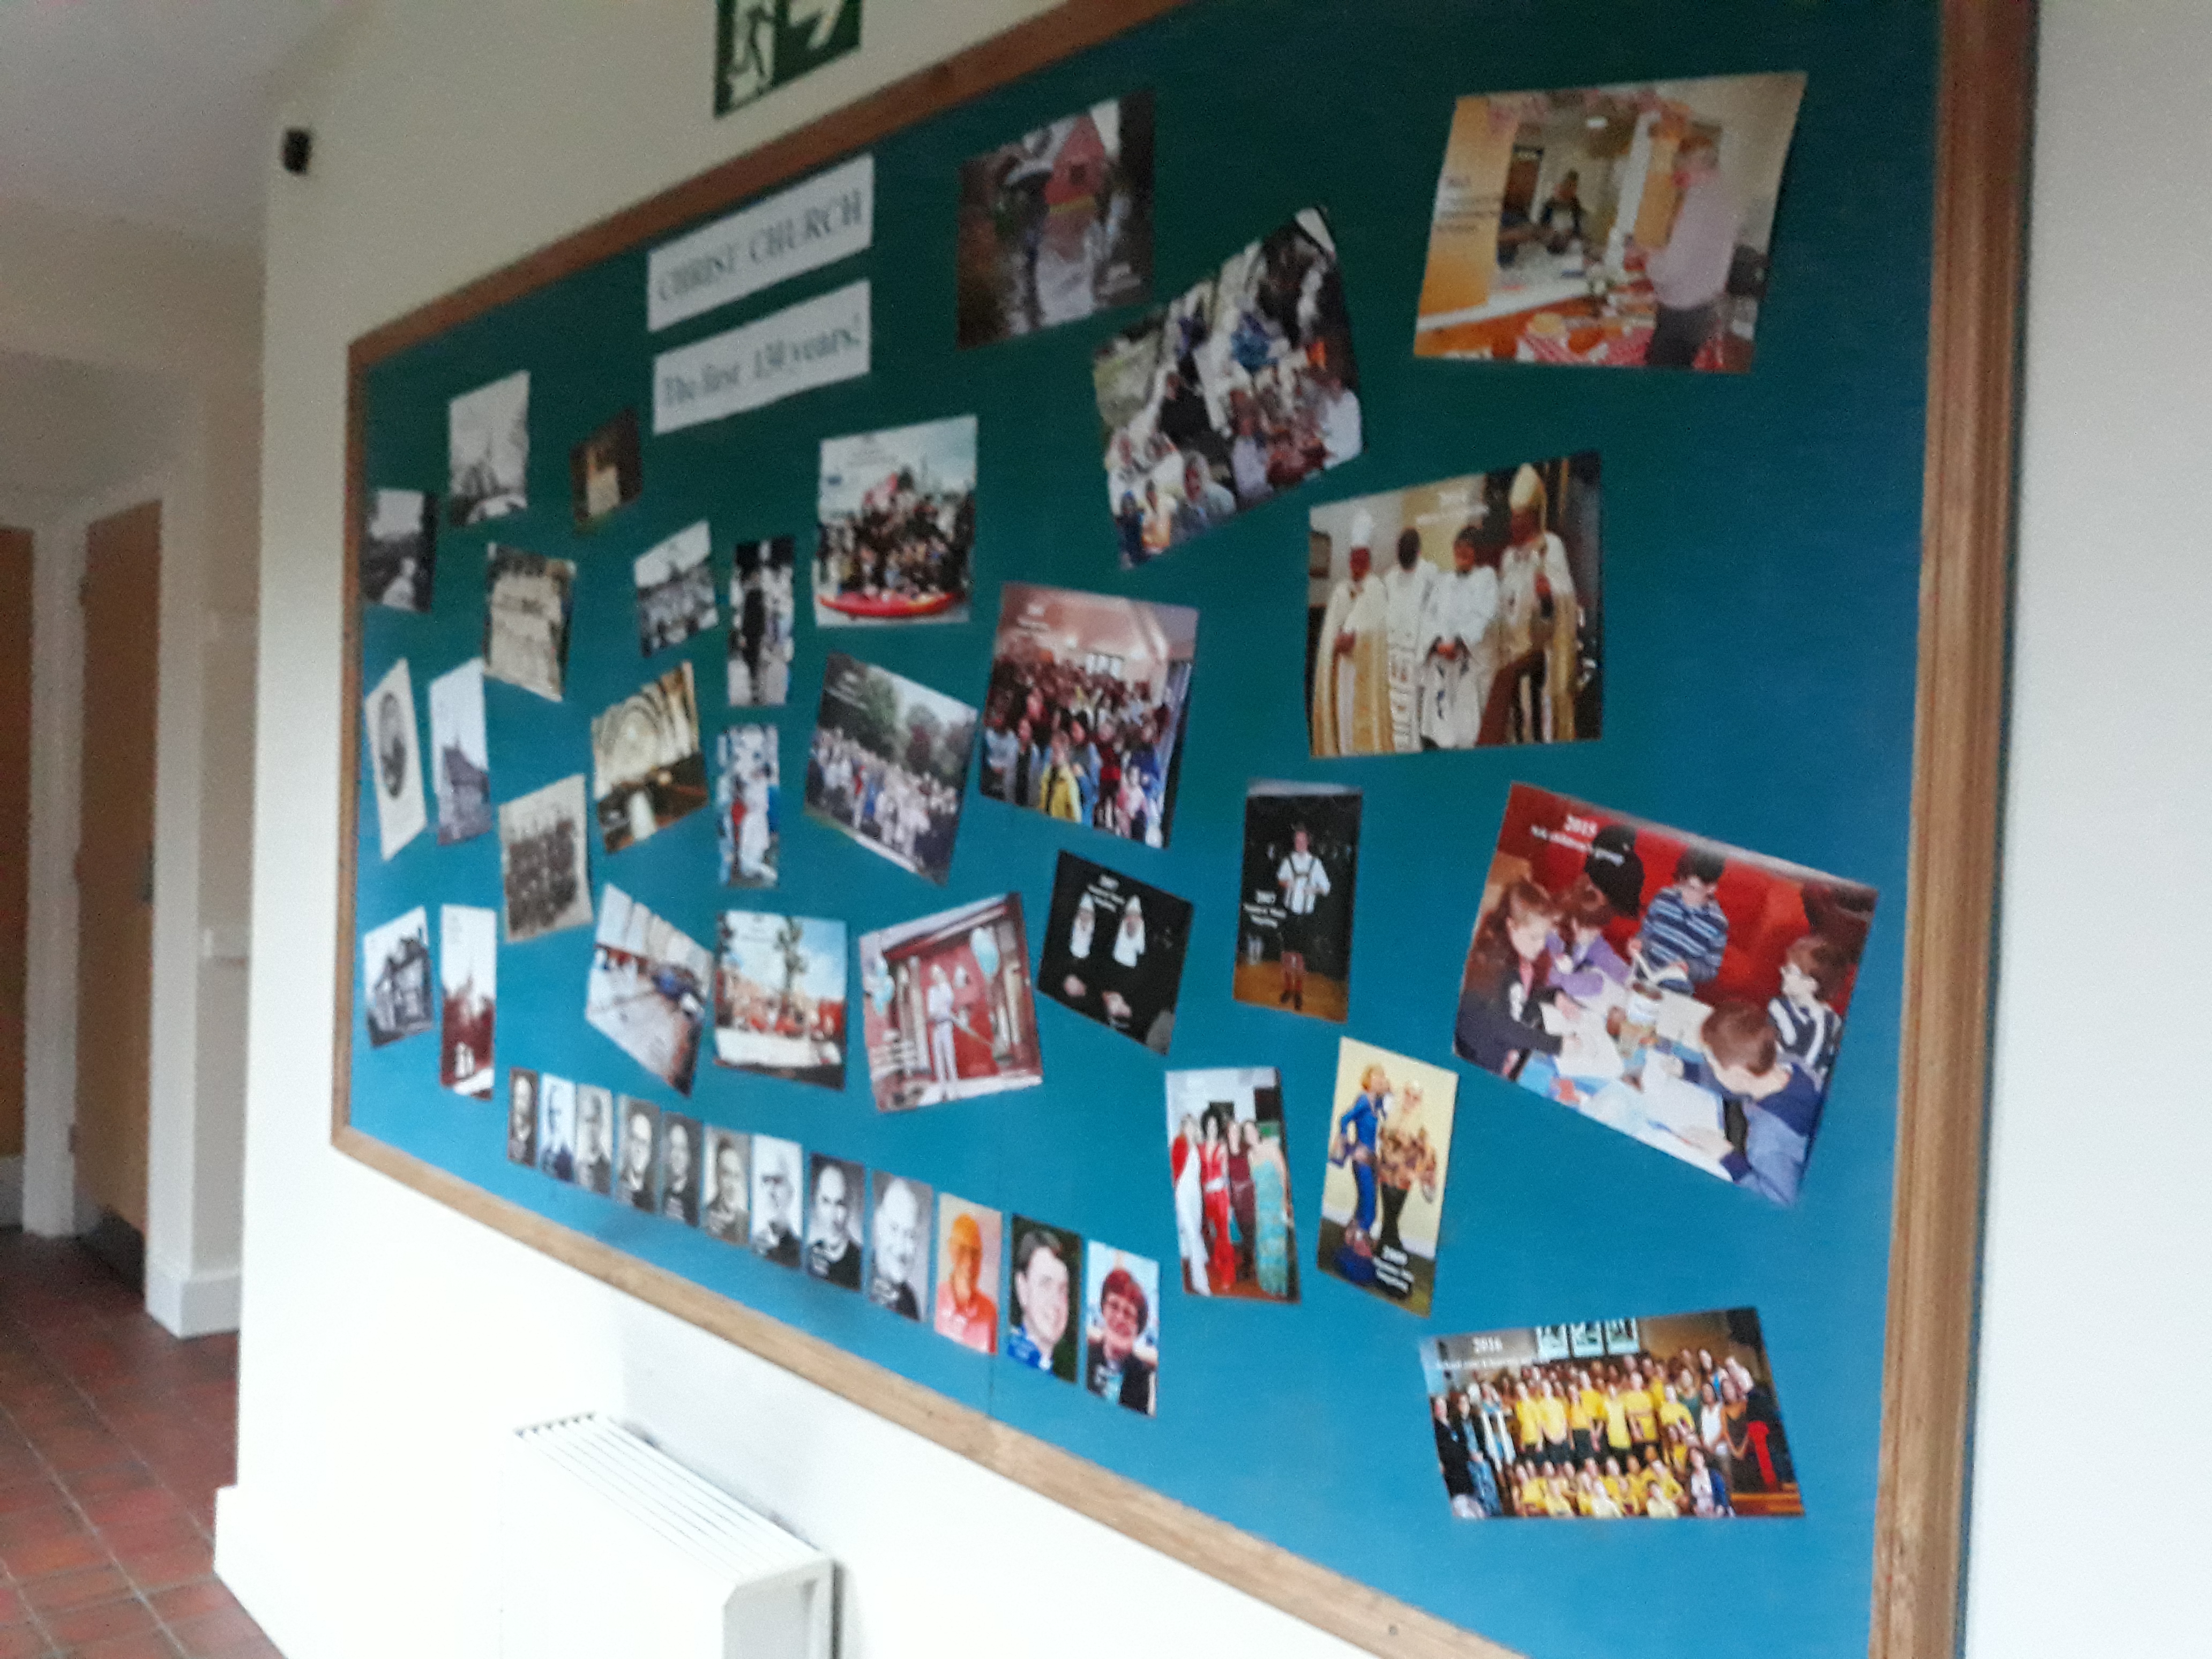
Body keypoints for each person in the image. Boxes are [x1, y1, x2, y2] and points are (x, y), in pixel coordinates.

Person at [1682, 999, 1828, 1204]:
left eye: (1713, 1065)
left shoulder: (1766, 1141)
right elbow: (1742, 1086)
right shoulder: (1791, 1063)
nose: (1711, 1067)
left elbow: (1780, 1201)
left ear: (1738, 1075)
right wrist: (1686, 1070)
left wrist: (1726, 1156)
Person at [1492, 464, 1580, 744]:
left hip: (1540, 658)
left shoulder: (1550, 546)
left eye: (1520, 517)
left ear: (1532, 518)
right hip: (1512, 657)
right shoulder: (1509, 557)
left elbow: (1565, 597)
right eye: (1513, 517)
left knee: (1541, 727)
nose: (1513, 524)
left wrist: (1548, 593)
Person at [1639, 132, 1740, 369]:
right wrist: (1660, 252)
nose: (1678, 172)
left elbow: (1671, 269)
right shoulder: (1727, 196)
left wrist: (1648, 259)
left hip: (1682, 313)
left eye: (1680, 165)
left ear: (1693, 162)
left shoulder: (1699, 199)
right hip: (1705, 308)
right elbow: (1703, 253)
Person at [1453, 880, 1566, 1076]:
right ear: (1511, 926)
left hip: (1498, 1041)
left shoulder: (1516, 955)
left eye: (1544, 936)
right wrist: (1558, 1045)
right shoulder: (1496, 966)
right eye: (1534, 937)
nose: (1542, 945)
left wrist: (1554, 996)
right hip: (1480, 1058)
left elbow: (1519, 998)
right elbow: (1505, 1028)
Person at [1309, 513, 1390, 756]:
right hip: (1342, 671)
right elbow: (1328, 636)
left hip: (1363, 670)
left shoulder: (1376, 589)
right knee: (1344, 723)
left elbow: (1379, 632)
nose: (1357, 563)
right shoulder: (1340, 591)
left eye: (1361, 558)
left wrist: (1356, 640)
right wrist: (1335, 644)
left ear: (1369, 560)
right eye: (1353, 558)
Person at [1419, 522, 1499, 751]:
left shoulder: (1487, 579)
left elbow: (1487, 616)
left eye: (1468, 547)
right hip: (1443, 662)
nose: (1462, 552)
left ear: (1478, 551)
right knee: (1442, 730)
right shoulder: (1443, 581)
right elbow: (1428, 616)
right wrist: (1437, 644)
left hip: (1469, 661)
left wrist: (1459, 643)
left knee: (1471, 733)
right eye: (1458, 546)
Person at [1631, 846, 1730, 992]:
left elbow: (1711, 969)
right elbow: (1646, 933)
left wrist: (1688, 967)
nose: (1684, 893)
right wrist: (1639, 943)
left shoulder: (1717, 925)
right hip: (1643, 977)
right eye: (1681, 884)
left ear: (1711, 888)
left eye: (1693, 888)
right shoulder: (1663, 898)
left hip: (1677, 990)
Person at [1381, 527, 1439, 753]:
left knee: (1416, 711)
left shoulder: (1429, 574)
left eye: (1408, 550)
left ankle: (1415, 753)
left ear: (1417, 551)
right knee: (1394, 711)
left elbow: (1435, 612)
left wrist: (1426, 646)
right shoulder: (1389, 578)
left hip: (1418, 656)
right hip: (1394, 657)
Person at [1327, 1066, 1387, 1273]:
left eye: (1381, 1078)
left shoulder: (1377, 1102)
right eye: (1375, 1077)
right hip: (1361, 1162)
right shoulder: (1363, 1100)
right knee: (1369, 1210)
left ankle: (1351, 1240)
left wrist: (1388, 1090)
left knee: (1364, 1204)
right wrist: (1352, 1148)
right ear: (1368, 1079)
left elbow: (1389, 1100)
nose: (1379, 1081)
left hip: (1372, 1161)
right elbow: (1344, 1119)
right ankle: (1358, 1246)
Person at [1769, 933, 1849, 1083]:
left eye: (1790, 971)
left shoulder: (1822, 1024)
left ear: (1811, 984)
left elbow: (1805, 1071)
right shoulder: (1781, 1005)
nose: (1782, 971)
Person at [1083, 1264, 1156, 1414]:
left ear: (1138, 1328)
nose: (1120, 1318)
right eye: (1114, 1306)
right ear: (1103, 1309)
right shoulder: (1085, 1356)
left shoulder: (1144, 1378)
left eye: (1128, 1313)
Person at [1275, 823, 1329, 1012]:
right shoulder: (1288, 861)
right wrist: (1286, 884)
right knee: (1287, 955)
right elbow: (1280, 879)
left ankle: (1298, 992)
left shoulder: (1316, 864)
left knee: (1300, 958)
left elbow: (1327, 888)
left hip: (1306, 917)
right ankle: (1288, 989)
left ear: (1308, 842)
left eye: (1302, 840)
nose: (1299, 843)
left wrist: (1313, 889)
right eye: (1297, 840)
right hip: (1290, 914)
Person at [1549, 875, 1630, 1003]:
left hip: (1568, 996)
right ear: (1575, 924)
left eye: (1600, 928)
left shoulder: (1588, 936)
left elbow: (1604, 955)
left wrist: (1627, 977)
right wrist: (1595, 982)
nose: (1598, 934)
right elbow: (1548, 980)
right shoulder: (1552, 937)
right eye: (1594, 929)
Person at [1005, 1226, 1072, 1375]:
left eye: (1063, 1290)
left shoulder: (1051, 1372)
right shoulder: (1008, 1357)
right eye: (1046, 1285)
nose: (1056, 1303)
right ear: (1022, 1288)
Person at [933, 1211, 998, 1351]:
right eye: (962, 1250)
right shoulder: (934, 1299)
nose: (969, 1263)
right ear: (951, 1251)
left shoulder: (990, 1312)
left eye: (975, 1253)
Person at [867, 1178, 925, 1318]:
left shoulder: (909, 1301)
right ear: (879, 1224)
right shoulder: (855, 1276)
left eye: (911, 1235)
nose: (901, 1247)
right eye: (894, 1229)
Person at [1246, 1120, 1291, 1299]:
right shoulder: (1250, 1155)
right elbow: (1254, 1183)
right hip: (1261, 1205)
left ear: (1257, 1131)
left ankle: (1281, 1282)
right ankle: (1269, 1281)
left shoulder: (1271, 1146)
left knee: (1277, 1244)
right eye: (1246, 1133)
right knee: (1265, 1244)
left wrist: (1284, 1202)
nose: (1250, 1135)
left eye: (1252, 1130)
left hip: (1276, 1202)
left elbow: (1283, 1174)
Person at [1169, 1115, 1212, 1296]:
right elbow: (1174, 1171)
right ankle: (1201, 1283)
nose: (1190, 1128)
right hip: (1183, 1194)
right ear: (1183, 1127)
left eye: (1192, 1125)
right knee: (1193, 1235)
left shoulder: (1196, 1146)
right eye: (1186, 1125)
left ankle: (1187, 1275)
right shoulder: (1179, 1144)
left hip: (1195, 1194)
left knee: (1192, 1234)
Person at [806, 1163, 862, 1288]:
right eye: (826, 1201)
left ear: (850, 1205)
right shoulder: (807, 1255)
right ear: (816, 1202)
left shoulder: (861, 1262)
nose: (832, 1213)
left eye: (840, 1203)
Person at [1198, 1113, 1235, 1292]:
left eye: (1214, 1125)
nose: (1212, 1128)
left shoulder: (1222, 1147)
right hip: (1206, 1198)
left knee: (1224, 1236)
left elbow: (1227, 1176)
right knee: (1212, 1235)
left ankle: (1228, 1274)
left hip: (1220, 1197)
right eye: (1209, 1125)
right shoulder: (1200, 1147)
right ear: (1205, 1127)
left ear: (1218, 1127)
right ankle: (1219, 1264)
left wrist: (1230, 1205)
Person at [751, 1153, 801, 1266]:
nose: (771, 1191)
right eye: (766, 1181)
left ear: (791, 1191)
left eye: (777, 1181)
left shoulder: (802, 1253)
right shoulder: (752, 1244)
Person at [1435, 1395, 1480, 1518]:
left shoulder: (1453, 1423)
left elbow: (1463, 1441)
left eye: (1443, 1406)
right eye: (1438, 1406)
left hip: (1463, 1467)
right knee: (1460, 1503)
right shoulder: (1435, 1428)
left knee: (1471, 1499)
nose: (1441, 1409)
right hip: (1450, 1470)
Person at [702, 1135, 746, 1243]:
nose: (732, 1186)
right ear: (716, 1175)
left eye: (736, 1176)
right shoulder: (703, 1216)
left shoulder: (747, 1224)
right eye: (727, 1174)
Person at [924, 963, 960, 1088]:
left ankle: (955, 1088)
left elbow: (949, 1001)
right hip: (937, 1026)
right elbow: (932, 1011)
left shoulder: (946, 988)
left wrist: (943, 985)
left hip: (946, 1025)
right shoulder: (931, 991)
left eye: (938, 973)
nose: (936, 976)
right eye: (934, 974)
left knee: (950, 1056)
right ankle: (943, 1089)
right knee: (939, 1058)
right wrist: (938, 1012)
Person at [617, 1104, 656, 1213]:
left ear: (650, 1152)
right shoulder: (613, 1187)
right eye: (635, 1139)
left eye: (644, 1143)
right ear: (627, 1143)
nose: (639, 1149)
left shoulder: (653, 1203)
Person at [660, 1118, 698, 1225]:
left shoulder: (695, 1200)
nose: (677, 1156)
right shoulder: (662, 1195)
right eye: (673, 1147)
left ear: (689, 1156)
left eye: (682, 1149)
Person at [574, 1089, 612, 1195]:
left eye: (594, 1121)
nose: (590, 1128)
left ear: (601, 1123)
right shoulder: (577, 1167)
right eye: (587, 1121)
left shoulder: (608, 1170)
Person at [1536, 169, 1585, 251]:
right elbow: (1542, 225)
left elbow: (1579, 230)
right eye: (1567, 186)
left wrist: (1571, 233)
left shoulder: (1576, 208)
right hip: (1549, 241)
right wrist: (1551, 232)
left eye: (1573, 187)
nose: (1569, 190)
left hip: (1569, 244)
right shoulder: (1550, 205)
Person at [505, 1071, 537, 1166]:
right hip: (522, 1102)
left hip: (521, 1101)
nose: (516, 1147)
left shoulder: (521, 1134)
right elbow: (527, 1122)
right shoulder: (522, 1134)